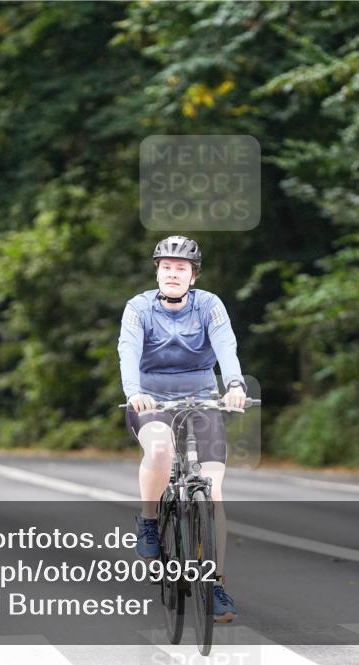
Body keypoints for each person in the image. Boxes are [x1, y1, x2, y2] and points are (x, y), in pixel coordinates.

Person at [117, 235, 248, 623]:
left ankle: (216, 582)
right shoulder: (138, 308)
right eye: (167, 267)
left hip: (203, 398)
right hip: (151, 400)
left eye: (182, 269)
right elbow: (128, 349)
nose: (173, 274)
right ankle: (150, 521)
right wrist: (135, 392)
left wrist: (235, 385)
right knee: (158, 450)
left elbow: (226, 345)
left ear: (193, 276)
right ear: (157, 271)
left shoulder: (210, 306)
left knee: (213, 491)